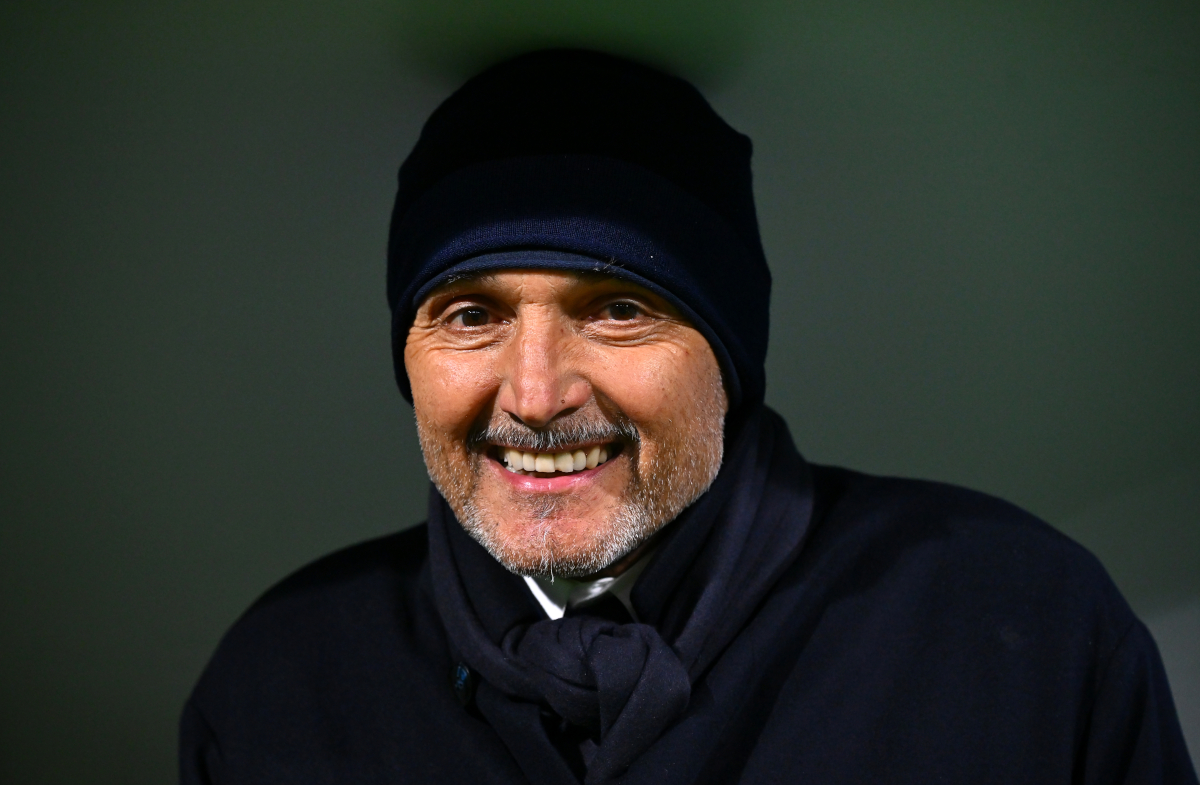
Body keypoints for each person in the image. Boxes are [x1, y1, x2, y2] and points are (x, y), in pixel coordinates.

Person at [179, 49, 1197, 785]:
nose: (535, 394)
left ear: (731, 356)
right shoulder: (280, 680)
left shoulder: (1022, 627)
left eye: (618, 308)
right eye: (472, 314)